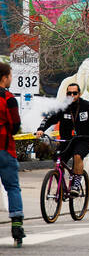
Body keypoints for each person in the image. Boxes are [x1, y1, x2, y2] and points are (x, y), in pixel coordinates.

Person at [35, 82, 89, 195]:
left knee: (77, 156)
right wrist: (41, 129)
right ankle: (61, 185)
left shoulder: (88, 107)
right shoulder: (62, 107)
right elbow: (49, 118)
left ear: (80, 93)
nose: (72, 95)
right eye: (69, 93)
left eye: (75, 93)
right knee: (58, 161)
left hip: (83, 140)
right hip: (67, 141)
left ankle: (76, 184)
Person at [0, 63, 24, 244]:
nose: (11, 78)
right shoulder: (9, 99)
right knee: (12, 188)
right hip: (5, 149)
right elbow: (15, 125)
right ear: (4, 77)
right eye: (10, 75)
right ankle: (16, 225)